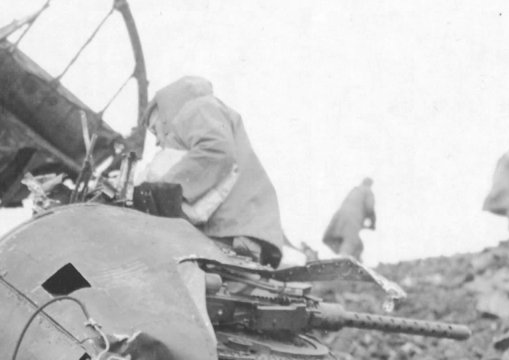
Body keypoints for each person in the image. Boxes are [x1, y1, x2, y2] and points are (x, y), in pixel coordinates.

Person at [132, 76, 286, 265]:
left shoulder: (196, 109)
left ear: (164, 115)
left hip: (231, 234)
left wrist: (163, 189)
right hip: (243, 231)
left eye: (155, 130)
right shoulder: (205, 111)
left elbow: (216, 150)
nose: (157, 142)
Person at [322, 178, 376, 260]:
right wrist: (373, 223)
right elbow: (370, 208)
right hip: (353, 216)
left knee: (330, 238)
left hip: (340, 214)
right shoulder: (367, 191)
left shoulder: (355, 190)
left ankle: (346, 257)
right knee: (351, 241)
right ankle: (343, 260)